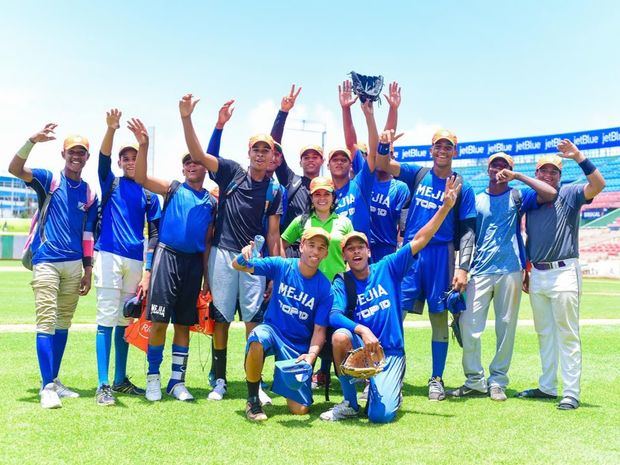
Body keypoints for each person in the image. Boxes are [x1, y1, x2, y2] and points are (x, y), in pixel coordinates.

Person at [321, 150, 462, 423]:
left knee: (380, 416)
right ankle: (350, 402)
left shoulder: (387, 267)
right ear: (345, 255)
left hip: (390, 352)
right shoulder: (343, 280)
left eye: (360, 247)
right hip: (363, 346)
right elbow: (334, 315)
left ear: (368, 251)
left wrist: (444, 208)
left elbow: (420, 239)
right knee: (339, 336)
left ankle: (385, 385)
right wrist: (361, 330)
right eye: (350, 249)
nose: (356, 252)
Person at [179, 94, 283, 402]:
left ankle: (256, 381)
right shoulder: (232, 172)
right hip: (223, 253)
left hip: (254, 258)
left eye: (267, 150)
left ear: (273, 156)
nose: (261, 154)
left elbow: (275, 235)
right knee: (222, 318)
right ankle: (219, 379)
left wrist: (275, 273)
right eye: (257, 149)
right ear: (248, 152)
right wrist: (192, 118)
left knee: (253, 321)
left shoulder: (275, 189)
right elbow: (198, 153)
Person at [375, 128, 477, 401]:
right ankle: (388, 372)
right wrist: (383, 146)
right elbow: (382, 165)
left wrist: (463, 267)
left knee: (439, 316)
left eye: (448, 146)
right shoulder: (418, 174)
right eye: (438, 146)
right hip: (412, 252)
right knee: (396, 315)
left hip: (442, 255)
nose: (442, 150)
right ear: (431, 150)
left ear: (455, 151)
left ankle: (436, 378)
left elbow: (468, 230)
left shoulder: (463, 187)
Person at [447, 152, 557, 401]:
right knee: (469, 325)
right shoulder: (476, 199)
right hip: (480, 269)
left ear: (510, 169)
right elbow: (467, 235)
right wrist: (462, 267)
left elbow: (550, 193)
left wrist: (517, 176)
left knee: (505, 328)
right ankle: (474, 379)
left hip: (511, 269)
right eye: (495, 164)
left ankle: (497, 381)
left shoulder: (518, 195)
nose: (499, 169)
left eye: (504, 165)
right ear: (487, 169)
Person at [8, 124, 98, 409]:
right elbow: (14, 168)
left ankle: (54, 380)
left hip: (74, 266)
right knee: (46, 322)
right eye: (72, 151)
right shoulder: (49, 180)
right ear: (63, 154)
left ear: (87, 158)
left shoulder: (88, 193)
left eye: (81, 153)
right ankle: (46, 386)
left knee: (62, 324)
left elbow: (87, 234)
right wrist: (31, 140)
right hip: (46, 261)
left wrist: (88, 269)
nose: (76, 156)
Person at [128, 118, 216, 402]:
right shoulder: (173, 188)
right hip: (167, 258)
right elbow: (141, 178)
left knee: (183, 324)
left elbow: (205, 244)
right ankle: (153, 378)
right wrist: (144, 145)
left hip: (192, 264)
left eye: (197, 162)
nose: (192, 166)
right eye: (187, 162)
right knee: (158, 322)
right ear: (183, 168)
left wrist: (206, 277)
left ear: (205, 167)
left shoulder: (211, 202)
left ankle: (177, 381)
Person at [516, 140, 605, 410]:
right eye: (543, 171)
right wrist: (527, 268)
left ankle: (570, 392)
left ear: (560, 176)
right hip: (539, 272)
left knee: (567, 333)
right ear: (536, 173)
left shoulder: (569, 193)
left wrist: (578, 156)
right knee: (544, 332)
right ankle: (547, 386)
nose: (548, 175)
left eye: (553, 171)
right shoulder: (531, 199)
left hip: (564, 270)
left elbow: (598, 185)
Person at [92, 108, 162, 406]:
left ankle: (120, 380)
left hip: (135, 261)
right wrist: (111, 129)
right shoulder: (112, 182)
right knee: (105, 320)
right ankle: (103, 383)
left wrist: (148, 270)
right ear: (120, 162)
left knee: (125, 320)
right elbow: (102, 160)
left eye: (135, 158)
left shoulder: (150, 195)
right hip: (108, 256)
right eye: (126, 158)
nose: (131, 162)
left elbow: (156, 235)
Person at [232, 227, 333, 421]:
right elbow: (238, 265)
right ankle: (253, 399)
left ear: (326, 253)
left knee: (299, 410)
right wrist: (244, 255)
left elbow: (320, 330)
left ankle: (283, 383)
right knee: (257, 338)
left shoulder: (325, 288)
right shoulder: (282, 265)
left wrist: (310, 357)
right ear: (302, 246)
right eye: (311, 245)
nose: (315, 251)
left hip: (297, 345)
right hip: (273, 330)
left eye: (321, 248)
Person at [341, 80, 410, 261]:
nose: (384, 155)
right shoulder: (364, 175)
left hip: (386, 251)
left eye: (389, 153)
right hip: (359, 247)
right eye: (382, 151)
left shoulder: (400, 188)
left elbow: (402, 229)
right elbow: (352, 143)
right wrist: (346, 110)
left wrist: (394, 109)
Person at [281, 176, 353, 282]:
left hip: (338, 286)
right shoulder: (300, 221)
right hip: (307, 285)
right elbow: (280, 244)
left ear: (333, 197)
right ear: (311, 198)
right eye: (317, 194)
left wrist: (347, 275)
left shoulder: (345, 222)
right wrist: (287, 271)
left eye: (326, 194)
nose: (322, 198)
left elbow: (353, 250)